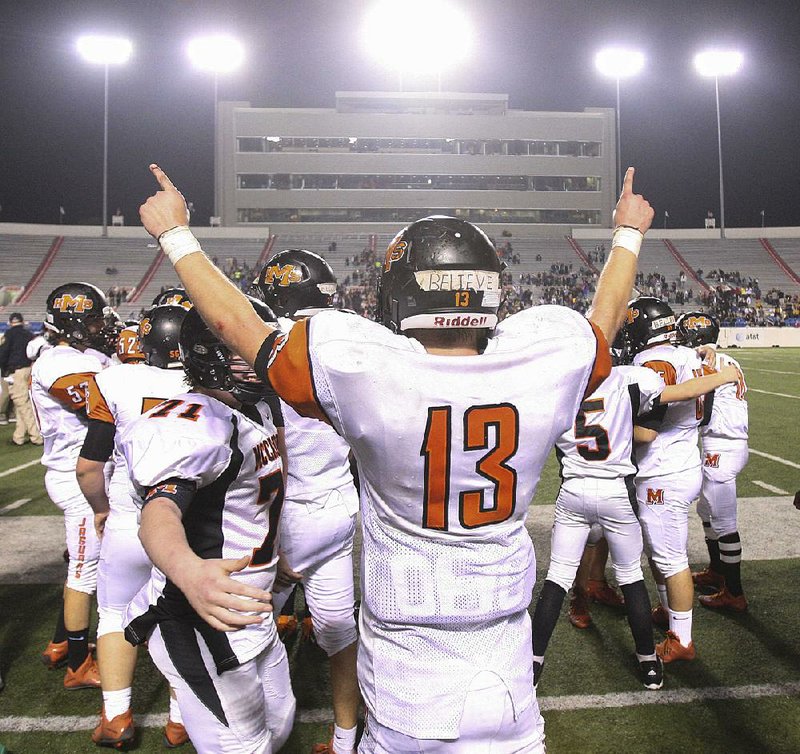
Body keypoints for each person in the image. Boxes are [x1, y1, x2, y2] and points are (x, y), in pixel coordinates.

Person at [138, 163, 653, 751]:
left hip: (408, 676)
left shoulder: (367, 367)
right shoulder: (549, 354)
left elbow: (237, 326)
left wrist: (176, 235)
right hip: (507, 671)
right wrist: (627, 234)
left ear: (400, 294)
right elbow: (603, 326)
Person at [120, 299, 296, 754]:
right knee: (242, 746)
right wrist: (189, 570)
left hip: (248, 604)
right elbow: (159, 512)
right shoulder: (196, 421)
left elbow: (254, 501)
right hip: (201, 616)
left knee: (280, 723)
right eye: (244, 348)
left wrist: (273, 556)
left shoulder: (258, 409)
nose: (261, 357)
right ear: (209, 355)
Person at [532, 352, 740, 689]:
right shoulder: (627, 379)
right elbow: (683, 393)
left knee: (556, 579)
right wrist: (723, 375)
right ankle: (648, 666)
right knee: (631, 578)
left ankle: (533, 665)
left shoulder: (557, 387)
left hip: (572, 492)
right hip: (615, 492)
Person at [256, 249, 360, 754]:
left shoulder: (268, 347)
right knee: (340, 635)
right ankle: (346, 738)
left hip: (283, 517)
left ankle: (260, 733)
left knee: (250, 635)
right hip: (339, 509)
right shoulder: (352, 339)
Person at [76, 307, 191, 749]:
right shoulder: (211, 388)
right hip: (183, 525)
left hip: (129, 517)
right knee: (183, 618)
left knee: (114, 614)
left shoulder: (118, 381)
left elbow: (89, 468)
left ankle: (117, 717)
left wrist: (101, 508)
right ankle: (181, 720)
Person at [31, 282, 119, 689]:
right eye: (96, 320)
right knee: (85, 569)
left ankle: (61, 641)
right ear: (76, 324)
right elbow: (100, 403)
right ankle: (79, 665)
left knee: (81, 560)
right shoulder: (56, 362)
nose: (103, 326)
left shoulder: (86, 355)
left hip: (93, 471)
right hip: (78, 476)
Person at [623, 297, 714, 663]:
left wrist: (606, 429)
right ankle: (670, 611)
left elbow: (646, 430)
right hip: (682, 460)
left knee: (670, 557)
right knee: (659, 551)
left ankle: (682, 640)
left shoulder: (652, 363)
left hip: (663, 469)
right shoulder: (687, 355)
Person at [676, 312, 750, 612]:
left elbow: (702, 410)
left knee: (723, 520)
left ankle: (734, 592)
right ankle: (718, 570)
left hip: (722, 446)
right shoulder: (727, 361)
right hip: (723, 443)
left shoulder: (706, 364)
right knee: (706, 509)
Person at [0, 312, 43, 445]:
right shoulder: (29, 334)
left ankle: (36, 436)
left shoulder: (9, 335)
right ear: (22, 321)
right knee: (22, 404)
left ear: (10, 322)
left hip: (17, 371)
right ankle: (18, 436)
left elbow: (3, 354)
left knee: (22, 404)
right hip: (29, 370)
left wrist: (4, 371)